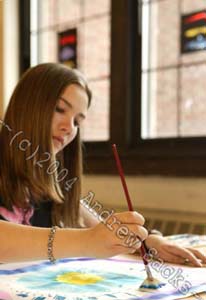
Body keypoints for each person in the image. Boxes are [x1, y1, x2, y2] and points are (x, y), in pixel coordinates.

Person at [0, 63, 205, 267]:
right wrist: (87, 240)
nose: (68, 128)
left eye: (77, 122)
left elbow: (102, 229)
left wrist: (146, 241)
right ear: (27, 105)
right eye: (59, 109)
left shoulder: (53, 180)